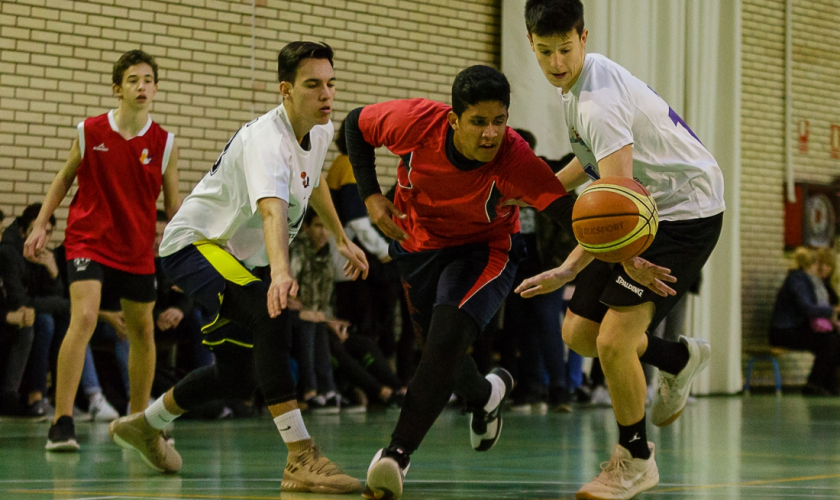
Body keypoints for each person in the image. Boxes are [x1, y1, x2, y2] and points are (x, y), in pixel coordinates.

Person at [107, 41, 368, 494]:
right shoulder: (266, 139)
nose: (326, 95)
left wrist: (342, 238)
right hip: (195, 246)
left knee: (237, 374)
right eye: (312, 85)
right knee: (272, 312)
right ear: (285, 90)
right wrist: (282, 274)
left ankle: (146, 425)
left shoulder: (321, 130)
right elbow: (272, 211)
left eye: (330, 84)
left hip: (245, 260)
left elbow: (315, 179)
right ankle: (300, 456)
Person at [346, 64, 584, 499]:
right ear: (454, 120)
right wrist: (370, 194)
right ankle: (486, 394)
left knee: (443, 343)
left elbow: (569, 215)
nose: (491, 133)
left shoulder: (516, 158)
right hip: (418, 248)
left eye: (499, 121)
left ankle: (396, 454)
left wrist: (625, 249)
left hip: (484, 250)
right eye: (479, 122)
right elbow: (353, 125)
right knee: (442, 356)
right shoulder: (416, 122)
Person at [518, 1, 726, 498]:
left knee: (613, 341)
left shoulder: (597, 102)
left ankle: (635, 458)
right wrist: (535, 189)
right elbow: (592, 163)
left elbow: (617, 207)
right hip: (642, 205)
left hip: (684, 213)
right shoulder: (581, 85)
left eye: (565, 49)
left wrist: (570, 268)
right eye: (545, 52)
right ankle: (675, 359)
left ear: (583, 37)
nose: (555, 62)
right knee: (580, 333)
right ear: (531, 43)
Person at [24, 50, 180, 451]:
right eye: (133, 80)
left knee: (142, 330)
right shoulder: (90, 131)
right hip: (88, 239)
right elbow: (63, 179)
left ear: (156, 88)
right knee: (86, 316)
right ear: (118, 88)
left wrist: (189, 244)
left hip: (136, 247)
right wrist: (41, 223)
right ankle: (61, 422)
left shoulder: (164, 143)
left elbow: (175, 206)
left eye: (148, 79)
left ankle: (138, 420)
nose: (142, 86)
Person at [769, 247, 840, 396]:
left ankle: (829, 383)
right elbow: (807, 309)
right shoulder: (798, 279)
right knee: (830, 341)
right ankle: (814, 384)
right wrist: (832, 311)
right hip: (783, 331)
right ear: (812, 264)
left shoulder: (806, 281)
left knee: (834, 339)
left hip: (795, 328)